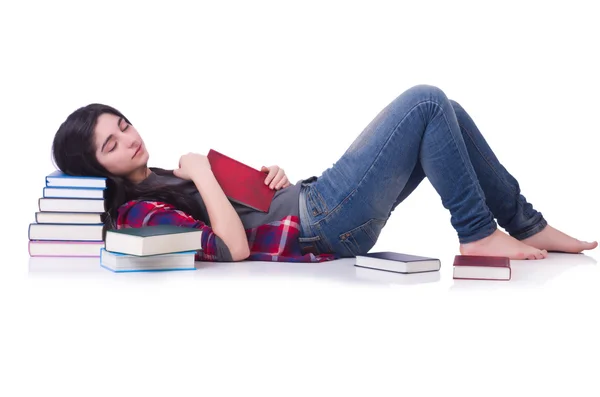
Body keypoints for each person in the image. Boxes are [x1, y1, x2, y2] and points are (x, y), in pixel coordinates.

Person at [51, 84, 597, 263]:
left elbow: (243, 214)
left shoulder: (164, 176)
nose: (129, 138)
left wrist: (270, 180)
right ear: (94, 165)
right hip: (323, 223)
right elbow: (233, 249)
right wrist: (205, 177)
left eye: (123, 124)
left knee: (444, 111)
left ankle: (524, 224)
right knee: (425, 102)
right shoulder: (135, 215)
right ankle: (478, 235)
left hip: (312, 200)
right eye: (111, 143)